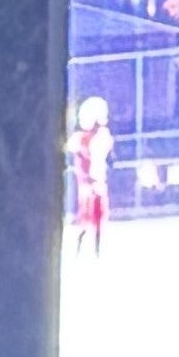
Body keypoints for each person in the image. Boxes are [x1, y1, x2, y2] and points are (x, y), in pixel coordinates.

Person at [67, 94, 113, 255]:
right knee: (85, 220)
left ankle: (96, 252)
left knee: (98, 220)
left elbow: (109, 159)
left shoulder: (101, 137)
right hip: (88, 183)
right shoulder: (80, 139)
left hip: (97, 182)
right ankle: (79, 250)